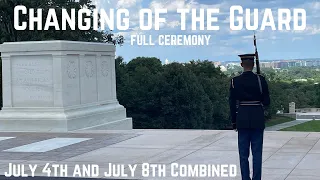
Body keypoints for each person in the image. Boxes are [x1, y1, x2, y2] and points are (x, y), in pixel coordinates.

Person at [229, 54, 270, 180]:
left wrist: (234, 122)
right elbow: (267, 101)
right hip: (257, 118)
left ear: (242, 65)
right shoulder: (260, 80)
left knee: (243, 154)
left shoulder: (234, 81)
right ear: (253, 65)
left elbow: (232, 103)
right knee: (257, 154)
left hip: (242, 119)